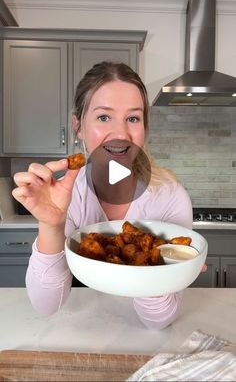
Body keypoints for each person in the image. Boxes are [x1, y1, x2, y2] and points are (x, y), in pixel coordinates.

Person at [12, 61, 193, 330]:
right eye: (104, 117)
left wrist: (158, 267)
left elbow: (160, 321)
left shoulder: (169, 196)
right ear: (78, 127)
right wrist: (52, 223)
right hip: (80, 328)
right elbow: (46, 306)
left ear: (145, 128)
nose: (121, 134)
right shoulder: (66, 195)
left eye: (133, 118)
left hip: (143, 337)